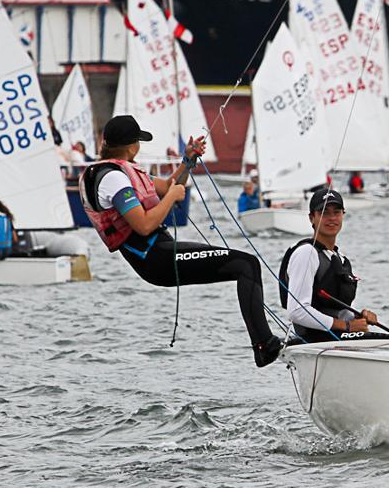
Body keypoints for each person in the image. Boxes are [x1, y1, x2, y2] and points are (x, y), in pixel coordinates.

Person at [79, 115, 283, 367]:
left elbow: (169, 185)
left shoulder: (120, 172)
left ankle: (265, 343)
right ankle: (264, 345)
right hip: (156, 259)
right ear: (132, 146)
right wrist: (172, 197)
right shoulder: (113, 178)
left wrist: (188, 160)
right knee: (246, 265)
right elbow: (143, 225)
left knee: (246, 265)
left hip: (161, 254)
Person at [277, 188, 380, 343]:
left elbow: (332, 309)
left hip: (337, 338)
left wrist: (359, 317)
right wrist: (347, 326)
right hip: (314, 342)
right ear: (312, 218)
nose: (331, 218)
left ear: (343, 215)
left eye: (336, 212)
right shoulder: (306, 253)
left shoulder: (339, 258)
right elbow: (297, 311)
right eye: (324, 213)